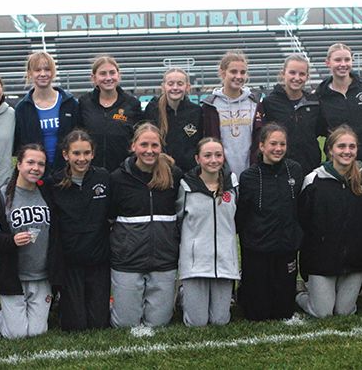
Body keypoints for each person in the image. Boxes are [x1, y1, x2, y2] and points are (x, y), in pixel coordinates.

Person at [297, 125, 362, 317]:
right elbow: (304, 223)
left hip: (354, 260)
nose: (347, 151)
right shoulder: (313, 181)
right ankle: (301, 293)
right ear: (330, 150)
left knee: (344, 311)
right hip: (322, 261)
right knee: (323, 312)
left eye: (352, 147)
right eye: (341, 146)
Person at [109, 123, 183, 328]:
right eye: (143, 144)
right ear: (133, 146)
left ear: (161, 147)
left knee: (159, 323)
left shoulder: (174, 175)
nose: (149, 150)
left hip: (163, 259)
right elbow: (109, 217)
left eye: (154, 145)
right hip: (128, 260)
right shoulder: (118, 178)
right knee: (125, 324)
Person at [0, 144, 53, 339]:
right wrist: (11, 240)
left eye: (41, 164)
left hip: (41, 275)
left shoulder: (47, 192)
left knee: (38, 332)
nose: (35, 168)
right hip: (13, 275)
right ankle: (0, 314)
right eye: (30, 162)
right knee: (17, 335)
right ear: (19, 164)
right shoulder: (0, 196)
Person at [236, 123, 304, 321]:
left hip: (286, 247)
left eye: (282, 144)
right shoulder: (249, 176)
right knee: (256, 313)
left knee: (283, 312)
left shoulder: (295, 170)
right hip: (258, 249)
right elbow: (243, 215)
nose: (278, 148)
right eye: (273, 143)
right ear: (262, 146)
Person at [46, 130, 111, 331]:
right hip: (70, 262)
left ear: (93, 153)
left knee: (99, 323)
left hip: (98, 260)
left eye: (86, 153)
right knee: (76, 325)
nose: (81, 159)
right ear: (66, 155)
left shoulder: (104, 177)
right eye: (76, 153)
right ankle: (60, 303)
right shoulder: (54, 183)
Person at [176, 137, 240, 326]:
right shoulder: (186, 187)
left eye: (218, 155)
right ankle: (183, 294)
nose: (214, 160)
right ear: (198, 159)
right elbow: (178, 220)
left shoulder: (233, 185)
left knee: (220, 321)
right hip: (196, 264)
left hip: (224, 262)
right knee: (197, 322)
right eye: (208, 155)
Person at [316, 43, 362, 177]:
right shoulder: (320, 95)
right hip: (340, 166)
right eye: (337, 60)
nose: (343, 64)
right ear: (328, 63)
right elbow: (320, 128)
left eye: (347, 59)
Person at [14, 51, 78, 174]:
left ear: (53, 72)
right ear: (30, 73)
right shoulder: (23, 108)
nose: (43, 74)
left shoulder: (70, 104)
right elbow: (20, 146)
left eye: (47, 69)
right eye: (38, 70)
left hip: (66, 172)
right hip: (36, 174)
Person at [202, 50, 263, 177]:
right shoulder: (211, 106)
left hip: (252, 173)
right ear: (222, 73)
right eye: (233, 72)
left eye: (243, 72)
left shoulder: (255, 104)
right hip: (221, 174)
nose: (239, 76)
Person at [258, 54, 322, 172]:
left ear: (307, 77)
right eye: (292, 73)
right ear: (283, 73)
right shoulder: (270, 103)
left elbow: (318, 130)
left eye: (302, 74)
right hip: (279, 169)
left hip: (310, 166)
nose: (297, 78)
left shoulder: (314, 103)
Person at [78, 55, 142, 172]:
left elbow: (138, 139)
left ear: (119, 75)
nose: (108, 78)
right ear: (94, 78)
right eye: (103, 74)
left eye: (112, 73)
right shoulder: (84, 103)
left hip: (123, 173)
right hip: (91, 172)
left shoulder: (132, 104)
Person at [143, 68, 203, 173]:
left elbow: (199, 143)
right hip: (159, 171)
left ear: (187, 87)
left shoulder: (196, 111)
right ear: (163, 87)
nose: (175, 88)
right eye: (170, 84)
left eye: (180, 84)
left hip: (189, 173)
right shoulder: (153, 109)